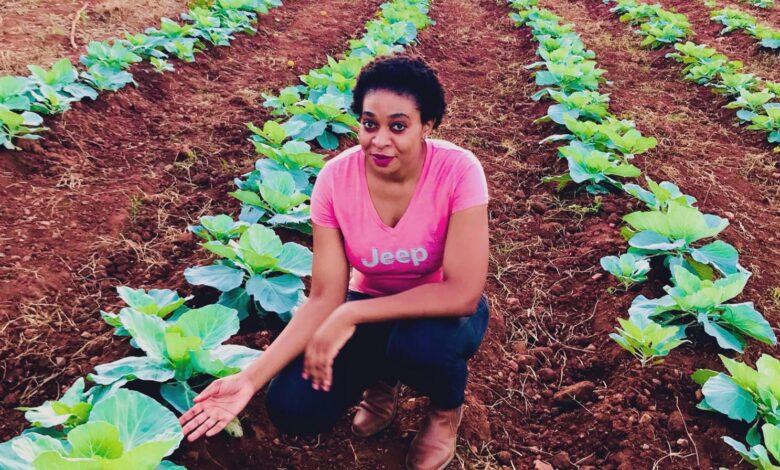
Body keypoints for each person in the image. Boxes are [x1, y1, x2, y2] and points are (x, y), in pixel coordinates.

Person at [179, 55, 490, 470]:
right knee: (294, 408)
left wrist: (351, 312)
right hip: (369, 308)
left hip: (439, 316)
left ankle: (445, 410)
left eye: (398, 126)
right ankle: (382, 383)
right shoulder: (335, 181)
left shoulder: (458, 171)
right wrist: (249, 379)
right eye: (369, 123)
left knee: (421, 347)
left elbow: (462, 293)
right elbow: (325, 296)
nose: (380, 140)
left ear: (427, 125)